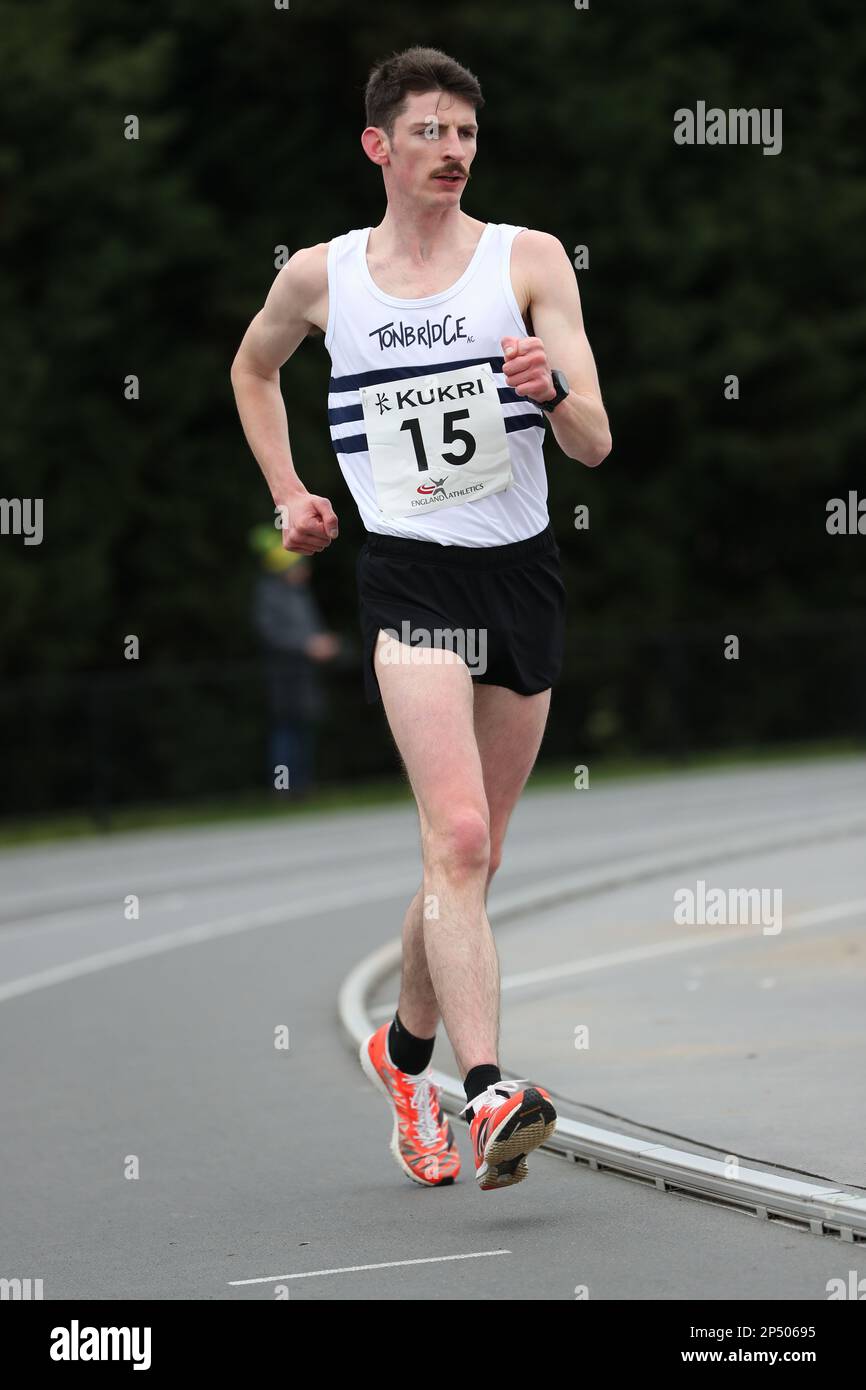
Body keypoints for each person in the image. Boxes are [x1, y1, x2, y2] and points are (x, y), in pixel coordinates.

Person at [230, 46, 611, 1192]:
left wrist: (551, 391)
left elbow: (594, 439)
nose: (450, 152)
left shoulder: (527, 260)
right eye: (429, 132)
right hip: (409, 581)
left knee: (474, 860)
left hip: (521, 575)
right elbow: (252, 373)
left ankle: (400, 1057)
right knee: (452, 839)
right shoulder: (321, 278)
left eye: (464, 135)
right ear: (377, 146)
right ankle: (487, 1084)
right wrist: (289, 494)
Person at [249, 526, 340, 796]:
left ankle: (303, 785)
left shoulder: (299, 594)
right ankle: (284, 788)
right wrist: (306, 646)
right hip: (284, 675)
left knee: (303, 728)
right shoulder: (269, 593)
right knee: (286, 730)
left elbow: (309, 628)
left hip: (304, 675)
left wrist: (321, 643)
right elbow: (270, 633)